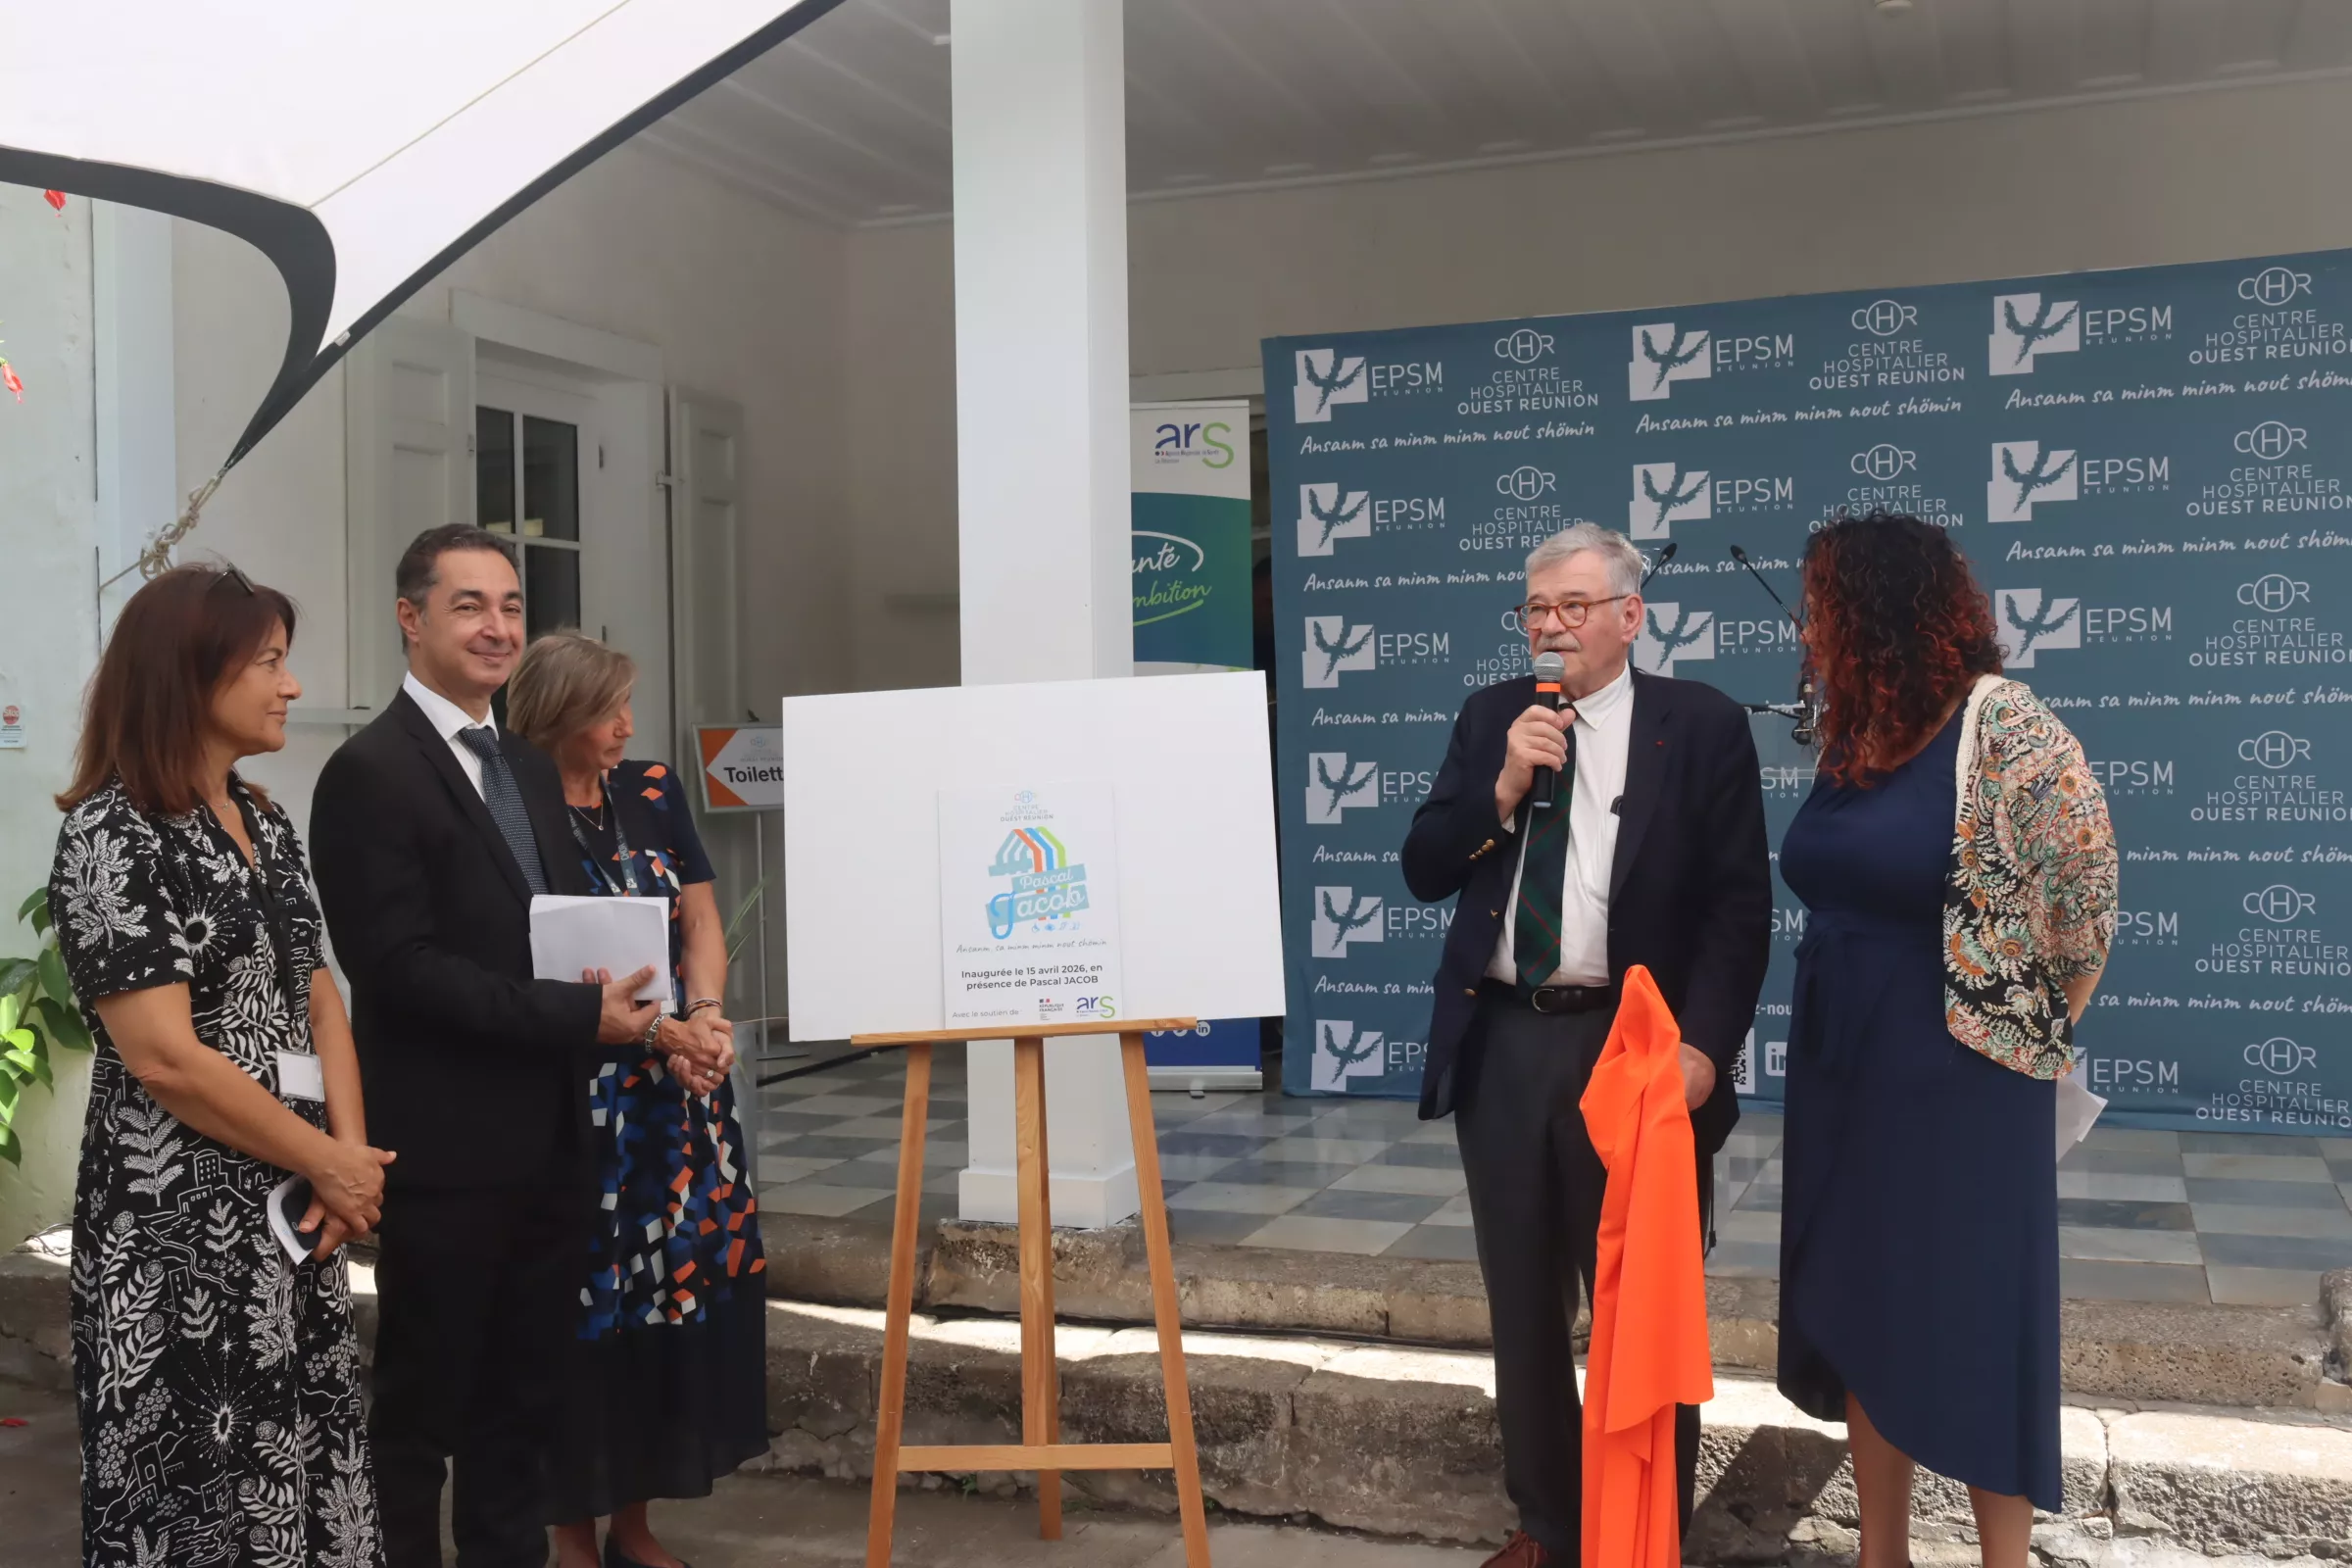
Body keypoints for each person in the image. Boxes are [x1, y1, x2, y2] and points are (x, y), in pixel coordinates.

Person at [310, 526, 719, 1568]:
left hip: (554, 1143)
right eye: (469, 606)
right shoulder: (368, 772)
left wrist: (656, 1027)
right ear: (410, 619)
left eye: (509, 606)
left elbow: (561, 945)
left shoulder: (530, 768)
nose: (497, 628)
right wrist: (583, 1019)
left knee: (520, 1407)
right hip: (445, 1152)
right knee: (422, 1409)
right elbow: (399, 969)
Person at [1401, 521, 1771, 1568]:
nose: (1551, 627)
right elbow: (1424, 865)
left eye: (1573, 606)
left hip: (1634, 1052)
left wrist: (1704, 1051)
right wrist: (1500, 790)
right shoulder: (1493, 719)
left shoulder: (1700, 726)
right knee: (1522, 1306)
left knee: (1641, 1310)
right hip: (1505, 1043)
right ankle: (1548, 1528)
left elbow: (1740, 911)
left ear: (1629, 616)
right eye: (1536, 609)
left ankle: (1643, 1538)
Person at [1775, 511, 2116, 1568]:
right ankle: (1881, 1554)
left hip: (1964, 1073)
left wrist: (2017, 1041)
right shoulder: (1857, 733)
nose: (1807, 630)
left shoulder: (2005, 725)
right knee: (1865, 1303)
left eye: (1821, 607)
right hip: (1842, 1063)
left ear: (1875, 611)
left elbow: (2085, 907)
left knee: (1974, 1317)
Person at [48, 564, 393, 1568]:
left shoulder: (263, 820)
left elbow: (319, 997)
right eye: (270, 663)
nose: (292, 686)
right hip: (178, 1231)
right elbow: (163, 1057)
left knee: (301, 1466)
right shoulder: (112, 833)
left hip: (293, 1211)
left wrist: (350, 1159)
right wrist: (327, 1162)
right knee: (194, 1490)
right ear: (190, 674)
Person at [506, 632, 766, 1568]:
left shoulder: (652, 789)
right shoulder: (513, 806)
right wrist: (660, 1035)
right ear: (556, 715)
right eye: (604, 711)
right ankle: (572, 1535)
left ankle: (634, 1525)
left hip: (672, 1103)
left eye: (626, 707)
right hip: (575, 1101)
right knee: (582, 1312)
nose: (624, 726)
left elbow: (700, 917)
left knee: (668, 1303)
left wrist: (707, 1016)